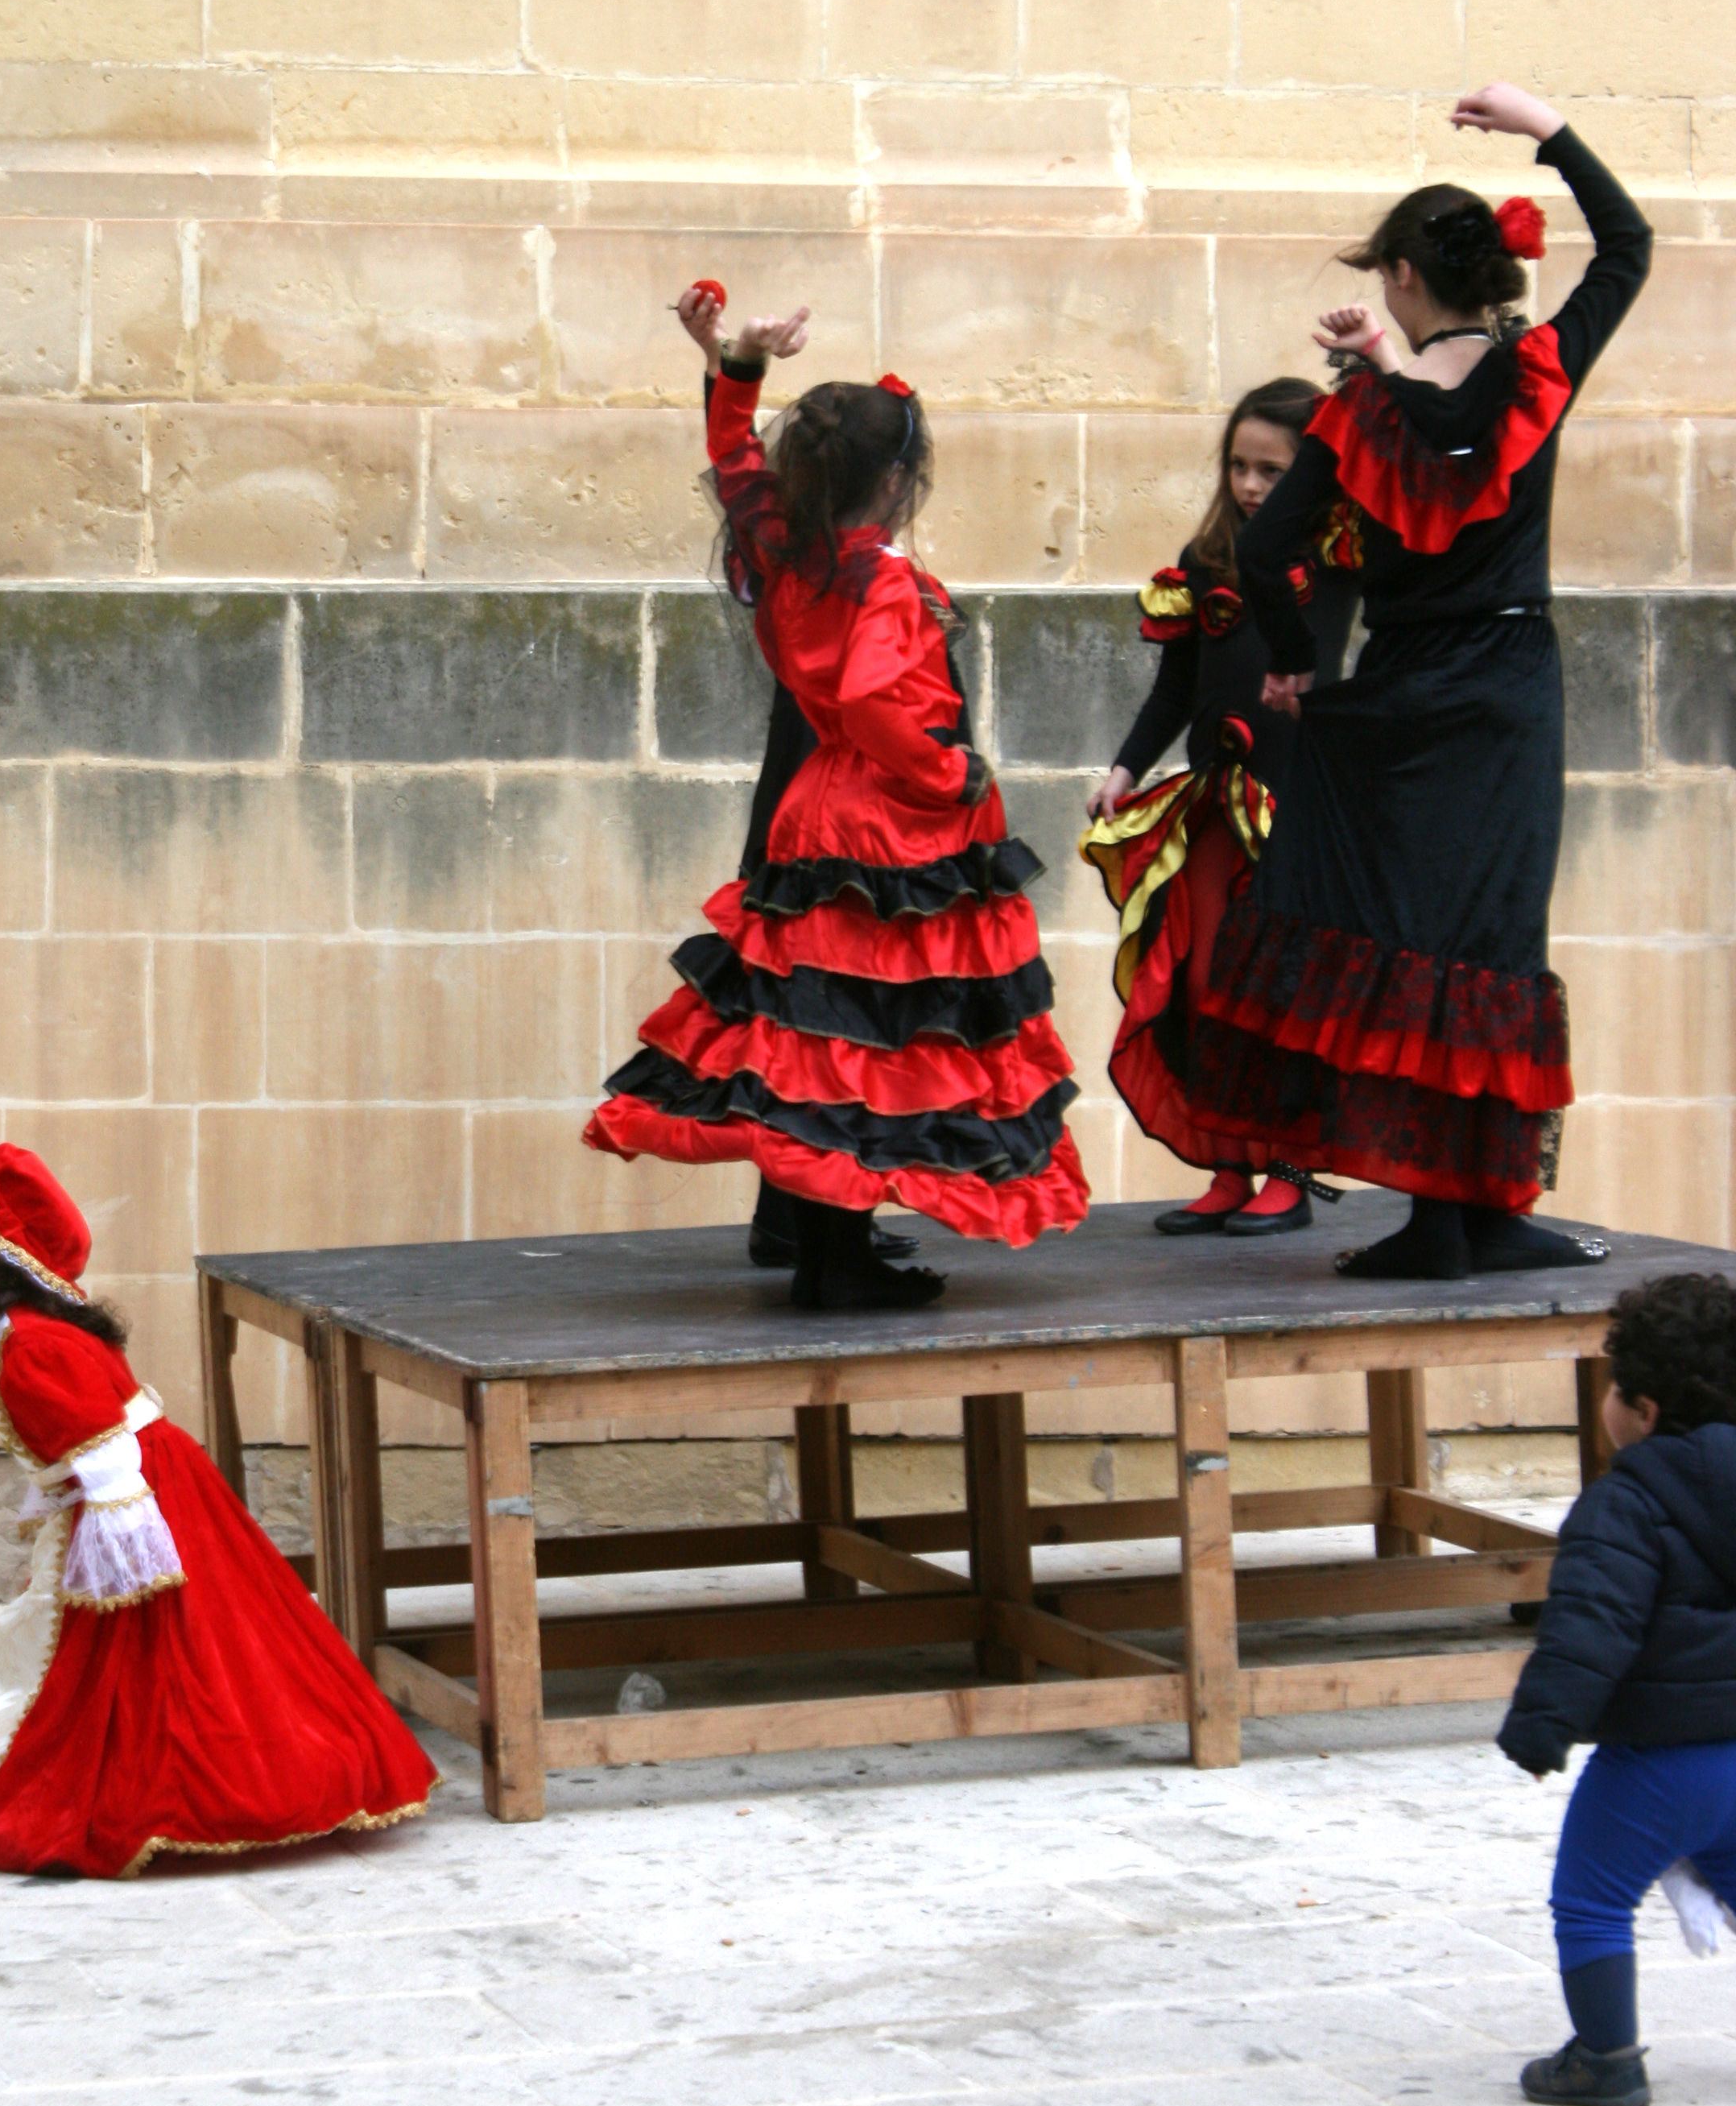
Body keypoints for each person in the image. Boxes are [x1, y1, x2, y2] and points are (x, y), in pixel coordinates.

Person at [1186, 81, 1652, 1280]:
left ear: (1400, 277)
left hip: (1401, 685)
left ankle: (1448, 1219)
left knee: (1402, 938)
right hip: (1505, 683)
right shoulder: (1537, 369)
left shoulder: (1361, 413)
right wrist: (1547, 130)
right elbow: (1632, 245)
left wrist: (1296, 660)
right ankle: (1482, 1205)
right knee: (1493, 938)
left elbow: (1267, 552)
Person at [585, 286, 1089, 1308]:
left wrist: (738, 374)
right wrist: (946, 772)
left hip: (816, 803)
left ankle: (830, 1252)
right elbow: (869, 690)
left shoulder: (789, 551)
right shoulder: (880, 581)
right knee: (877, 1036)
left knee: (822, 1040)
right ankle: (839, 1259)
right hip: (884, 822)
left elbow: (736, 467)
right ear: (897, 480)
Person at [0, 1129, 435, 1876]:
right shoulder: (25, 1334)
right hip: (140, 1488)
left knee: (156, 1654)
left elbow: (103, 1453)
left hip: (138, 1499)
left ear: (0, 1249)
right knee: (160, 1653)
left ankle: (177, 1797)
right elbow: (84, 1442)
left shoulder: (35, 1346)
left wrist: (113, 1545)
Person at [1081, 379, 1357, 1238]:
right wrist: (1126, 767)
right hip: (1211, 808)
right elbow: (1175, 690)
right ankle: (1231, 1165)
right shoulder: (1205, 564)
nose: (1249, 486)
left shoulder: (1339, 556)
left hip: (1294, 802)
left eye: (1272, 472)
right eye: (1239, 466)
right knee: (1204, 983)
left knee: (1276, 985)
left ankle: (1286, 1171)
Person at [1498, 1274, 1736, 2106]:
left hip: (1657, 1767)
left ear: (1639, 1406)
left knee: (1593, 1900)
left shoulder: (1624, 1502)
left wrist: (1540, 1731)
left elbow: (1590, 1627)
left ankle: (1605, 2060)